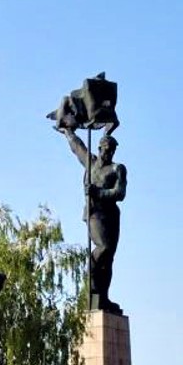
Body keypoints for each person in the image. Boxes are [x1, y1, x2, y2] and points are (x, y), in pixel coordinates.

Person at [53, 124, 127, 314]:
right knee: (103, 248)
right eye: (106, 150)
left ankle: (102, 297)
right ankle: (91, 274)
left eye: (111, 151)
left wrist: (98, 191)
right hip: (95, 213)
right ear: (100, 149)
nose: (108, 154)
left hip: (111, 215)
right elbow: (78, 148)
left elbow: (120, 193)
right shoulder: (91, 164)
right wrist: (68, 132)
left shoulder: (117, 169)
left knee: (108, 258)